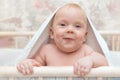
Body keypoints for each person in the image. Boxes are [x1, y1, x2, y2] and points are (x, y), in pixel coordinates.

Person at [17, 3, 108, 77]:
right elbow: (35, 65)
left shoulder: (85, 51)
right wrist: (27, 63)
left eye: (77, 26)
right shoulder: (46, 50)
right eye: (63, 25)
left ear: (85, 36)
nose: (70, 30)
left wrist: (90, 60)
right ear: (52, 33)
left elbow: (104, 62)